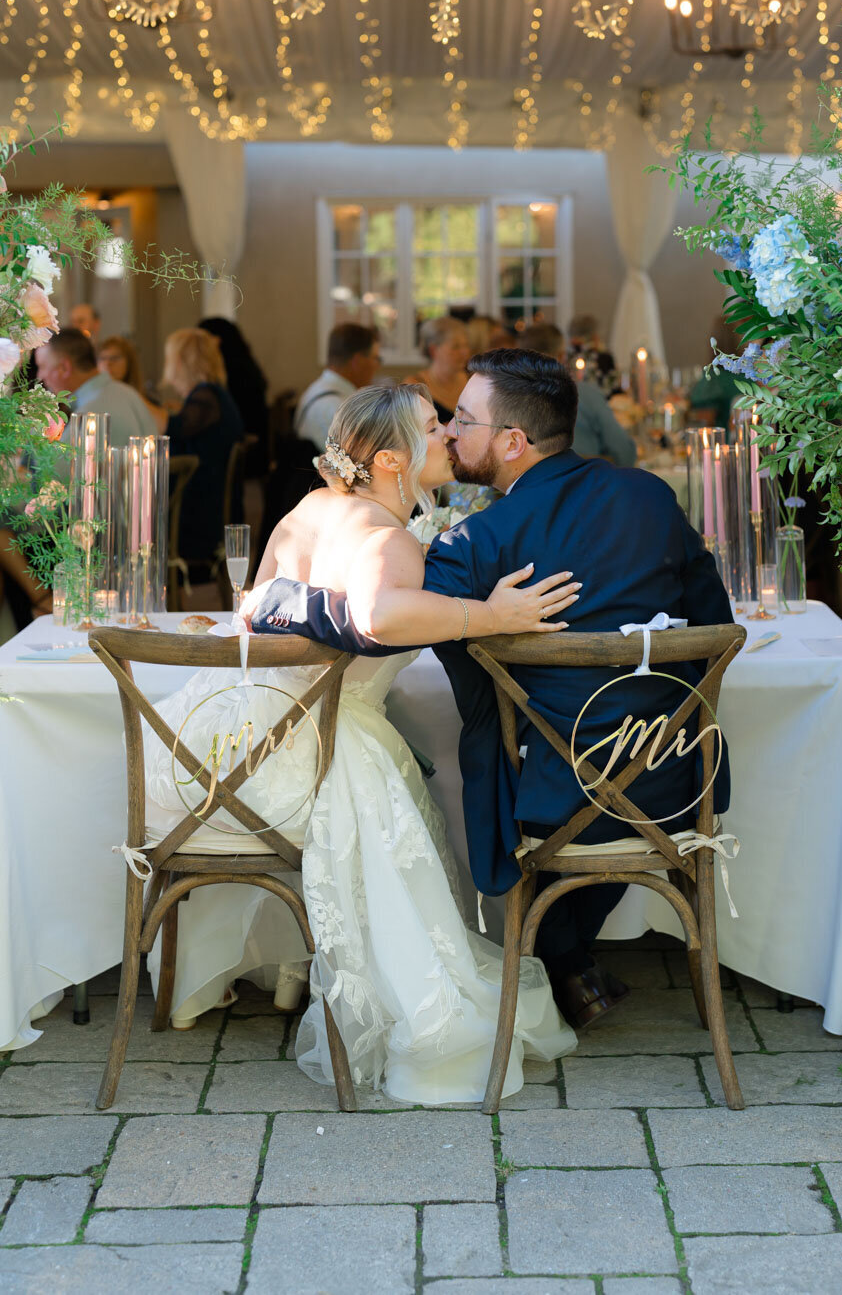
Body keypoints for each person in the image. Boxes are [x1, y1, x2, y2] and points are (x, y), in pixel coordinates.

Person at [247, 348, 733, 1030]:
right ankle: (569, 959)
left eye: (463, 420)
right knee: (584, 784)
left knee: (493, 756)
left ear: (511, 442)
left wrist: (277, 599)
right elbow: (716, 627)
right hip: (676, 775)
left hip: (548, 793)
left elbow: (383, 626)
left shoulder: (478, 543)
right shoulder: (651, 495)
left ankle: (554, 954)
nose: (450, 432)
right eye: (444, 423)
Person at [141, 383, 576, 1098]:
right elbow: (378, 615)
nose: (447, 439)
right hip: (312, 755)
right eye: (434, 429)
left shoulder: (307, 512)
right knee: (385, 782)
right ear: (389, 461)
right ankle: (407, 1016)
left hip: (224, 753)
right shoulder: (387, 538)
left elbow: (261, 608)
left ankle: (279, 972)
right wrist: (489, 614)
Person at [163, 328, 244, 568]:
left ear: (179, 362)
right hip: (210, 510)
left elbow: (174, 427)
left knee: (129, 521)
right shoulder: (212, 395)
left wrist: (134, 400)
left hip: (199, 522)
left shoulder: (206, 397)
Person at [519, 323, 637, 467]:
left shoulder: (505, 399)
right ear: (561, 356)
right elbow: (624, 453)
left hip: (530, 487)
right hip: (585, 485)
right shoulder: (585, 395)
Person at [36, 328, 155, 447]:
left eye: (42, 366)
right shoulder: (127, 392)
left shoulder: (90, 413)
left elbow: (51, 464)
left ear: (65, 368)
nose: (40, 376)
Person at [199, 318, 270, 479]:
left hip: (248, 453)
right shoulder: (244, 366)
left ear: (216, 341)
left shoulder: (232, 373)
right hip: (255, 446)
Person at [295, 323, 381, 455]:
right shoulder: (333, 408)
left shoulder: (320, 390)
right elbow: (357, 464)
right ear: (357, 362)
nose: (377, 366)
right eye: (375, 358)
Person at [404, 316, 470, 423]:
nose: (464, 352)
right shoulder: (414, 387)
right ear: (433, 350)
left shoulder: (472, 380)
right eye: (456, 347)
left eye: (466, 345)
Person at [97, 335, 167, 431]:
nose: (108, 363)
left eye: (115, 358)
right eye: (103, 358)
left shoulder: (145, 399)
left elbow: (161, 426)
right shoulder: (93, 399)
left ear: (129, 363)